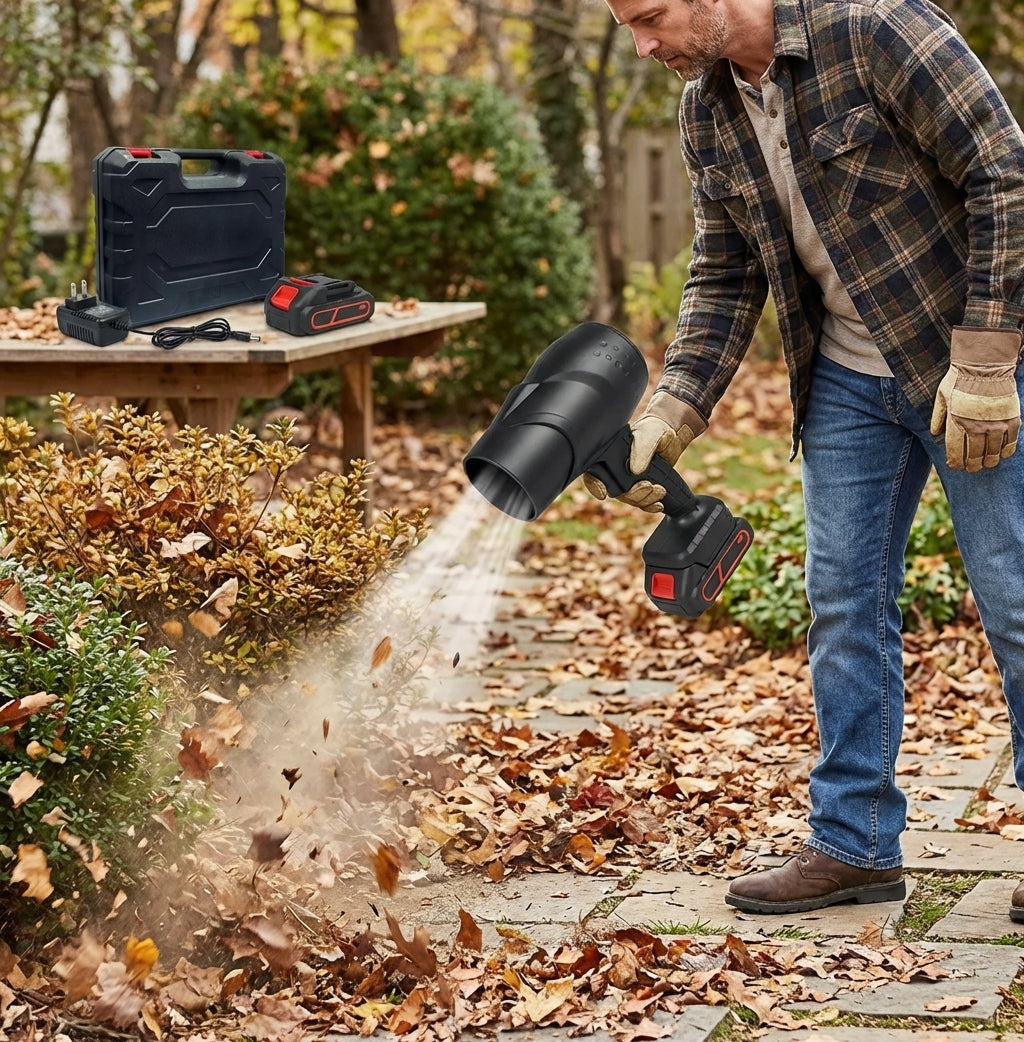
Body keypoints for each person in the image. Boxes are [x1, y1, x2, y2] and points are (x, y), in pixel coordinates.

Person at [589, 0, 1024, 916]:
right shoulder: (707, 108)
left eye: (652, 17)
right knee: (842, 603)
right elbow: (725, 270)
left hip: (972, 368)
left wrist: (987, 359)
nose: (643, 45)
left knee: (1016, 598)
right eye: (629, 25)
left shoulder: (876, 31)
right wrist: (676, 404)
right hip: (848, 380)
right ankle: (856, 842)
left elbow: (1005, 173)